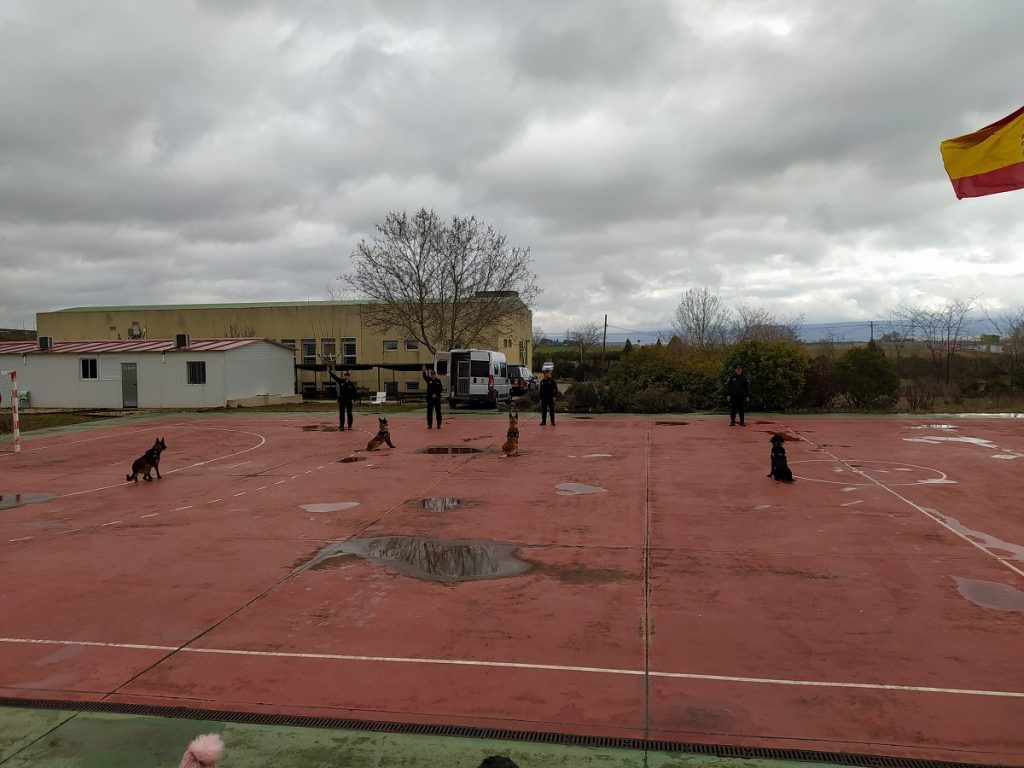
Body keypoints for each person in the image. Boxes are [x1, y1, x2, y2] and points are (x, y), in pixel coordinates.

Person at [422, 364, 444, 429]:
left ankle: (439, 425)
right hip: (430, 398)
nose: (433, 375)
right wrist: (424, 371)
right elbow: (424, 376)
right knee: (429, 412)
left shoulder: (438, 381)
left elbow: (440, 389)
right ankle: (430, 425)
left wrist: (436, 394)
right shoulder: (428, 380)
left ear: (435, 375)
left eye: (434, 374)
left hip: (437, 398)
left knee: (438, 412)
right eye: (432, 374)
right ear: (431, 375)